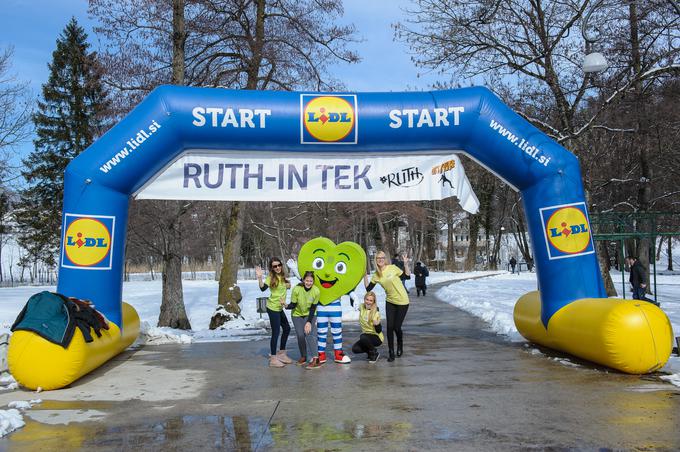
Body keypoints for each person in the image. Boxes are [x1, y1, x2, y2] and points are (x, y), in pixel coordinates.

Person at [363, 251, 410, 362]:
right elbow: (368, 288)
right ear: (376, 260)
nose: (380, 259)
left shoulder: (392, 268)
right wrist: (365, 275)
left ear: (385, 259)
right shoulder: (376, 275)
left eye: (382, 257)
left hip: (403, 301)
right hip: (390, 301)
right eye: (378, 258)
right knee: (389, 327)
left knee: (396, 327)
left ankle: (400, 344)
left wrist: (406, 264)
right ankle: (391, 352)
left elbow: (407, 276)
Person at [256, 258, 292, 368]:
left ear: (281, 265)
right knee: (276, 332)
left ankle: (281, 354)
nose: (277, 268)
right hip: (272, 308)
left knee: (287, 329)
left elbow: (287, 286)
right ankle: (273, 358)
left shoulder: (283, 276)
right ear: (271, 268)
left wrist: (288, 284)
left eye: (278, 265)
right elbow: (263, 288)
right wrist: (260, 278)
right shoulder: (271, 277)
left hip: (279, 308)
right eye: (274, 266)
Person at [286, 271, 322, 369]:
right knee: (300, 335)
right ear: (303, 280)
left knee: (308, 333)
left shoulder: (316, 291)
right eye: (307, 280)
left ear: (313, 281)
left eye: (311, 281)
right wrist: (286, 306)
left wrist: (309, 322)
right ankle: (303, 356)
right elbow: (293, 304)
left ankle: (316, 359)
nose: (309, 283)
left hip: (310, 314)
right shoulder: (297, 289)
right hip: (297, 314)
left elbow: (313, 308)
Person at [351, 291, 383, 363]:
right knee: (355, 349)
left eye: (371, 300)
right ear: (364, 299)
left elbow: (379, 330)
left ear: (373, 302)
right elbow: (352, 303)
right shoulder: (362, 307)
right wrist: (351, 291)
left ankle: (374, 353)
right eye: (367, 299)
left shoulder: (376, 312)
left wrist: (377, 324)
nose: (368, 302)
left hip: (376, 337)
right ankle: (370, 352)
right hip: (366, 337)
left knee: (363, 336)